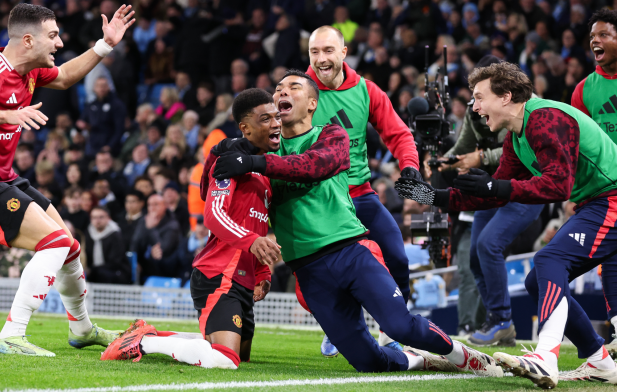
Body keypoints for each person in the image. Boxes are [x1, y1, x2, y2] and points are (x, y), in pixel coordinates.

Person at [212, 71, 501, 377]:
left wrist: (253, 161)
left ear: (312, 103)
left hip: (349, 252)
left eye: (293, 87)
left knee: (400, 325)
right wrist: (230, 149)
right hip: (308, 271)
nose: (282, 92)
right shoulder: (265, 149)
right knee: (368, 362)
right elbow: (225, 159)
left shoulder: (332, 135)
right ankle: (420, 360)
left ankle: (463, 355)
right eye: (278, 89)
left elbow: (313, 166)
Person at [395, 62, 617, 388]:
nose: (474, 106)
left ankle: (545, 357)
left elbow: (558, 187)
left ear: (506, 96)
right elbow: (491, 197)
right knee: (536, 282)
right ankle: (600, 363)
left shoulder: (545, 119)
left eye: (479, 97)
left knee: (548, 261)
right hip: (598, 202)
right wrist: (430, 194)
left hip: (610, 199)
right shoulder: (517, 137)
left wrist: (495, 188)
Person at [0, 3, 134, 356]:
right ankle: (11, 334)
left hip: (3, 177)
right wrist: (8, 114)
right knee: (55, 243)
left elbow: (63, 77)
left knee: (69, 246)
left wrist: (104, 45)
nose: (59, 44)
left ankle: (82, 330)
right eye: (53, 36)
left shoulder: (30, 70)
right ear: (28, 40)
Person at [101, 88, 281, 369]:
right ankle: (144, 342)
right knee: (225, 360)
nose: (276, 123)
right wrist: (252, 242)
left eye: (276, 117)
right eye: (266, 118)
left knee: (235, 354)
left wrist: (263, 272)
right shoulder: (229, 163)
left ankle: (147, 334)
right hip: (218, 273)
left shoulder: (267, 173)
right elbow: (213, 216)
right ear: (245, 128)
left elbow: (255, 223)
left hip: (243, 279)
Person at [304, 25, 422, 356]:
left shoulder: (367, 91)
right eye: (315, 52)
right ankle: (341, 326)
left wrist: (409, 166)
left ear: (343, 52)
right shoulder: (297, 92)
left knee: (397, 258)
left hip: (360, 195)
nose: (321, 59)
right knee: (325, 274)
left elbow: (399, 134)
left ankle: (390, 330)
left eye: (328, 51)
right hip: (322, 201)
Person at [438, 55, 542, 346]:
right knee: (474, 257)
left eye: (481, 95)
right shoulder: (477, 109)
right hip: (491, 188)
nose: (476, 104)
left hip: (524, 189)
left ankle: (501, 318)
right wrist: (445, 162)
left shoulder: (528, 108)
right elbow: (465, 146)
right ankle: (498, 323)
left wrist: (481, 158)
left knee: (489, 244)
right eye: (475, 96)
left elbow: (515, 152)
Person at [571, 9, 617, 357]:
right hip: (607, 189)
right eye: (592, 37)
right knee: (612, 259)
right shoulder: (584, 90)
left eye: (603, 34)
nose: (595, 41)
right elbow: (579, 149)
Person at [131, 194, 181, 281]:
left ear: (165, 206)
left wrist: (151, 229)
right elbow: (135, 242)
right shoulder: (144, 220)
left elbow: (163, 250)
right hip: (144, 267)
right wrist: (135, 262)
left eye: (156, 204)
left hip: (165, 269)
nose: (152, 208)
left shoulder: (172, 225)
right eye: (149, 205)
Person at [85, 206, 130, 284]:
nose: (97, 221)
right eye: (94, 218)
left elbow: (115, 262)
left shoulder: (115, 234)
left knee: (100, 274)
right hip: (96, 271)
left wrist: (92, 269)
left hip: (117, 272)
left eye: (101, 217)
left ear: (108, 218)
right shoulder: (88, 233)